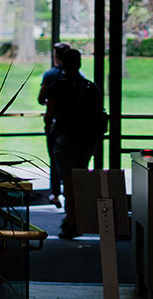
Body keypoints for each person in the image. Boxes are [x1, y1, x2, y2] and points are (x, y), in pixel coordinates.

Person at [43, 47, 104, 239]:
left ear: (62, 62)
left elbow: (49, 115)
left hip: (65, 138)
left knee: (68, 181)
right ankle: (82, 216)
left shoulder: (57, 86)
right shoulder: (90, 86)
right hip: (87, 139)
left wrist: (50, 126)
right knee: (81, 175)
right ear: (79, 63)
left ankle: (72, 221)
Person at [36, 42, 71, 204]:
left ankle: (56, 193)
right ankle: (73, 196)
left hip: (56, 126)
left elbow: (41, 99)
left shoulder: (50, 75)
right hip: (76, 128)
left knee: (55, 158)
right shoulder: (82, 78)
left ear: (56, 57)